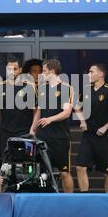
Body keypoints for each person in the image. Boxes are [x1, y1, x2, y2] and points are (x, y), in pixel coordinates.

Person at [74, 64, 108, 193]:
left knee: (107, 172)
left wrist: (106, 126)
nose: (88, 75)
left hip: (104, 136)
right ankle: (84, 199)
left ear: (101, 74)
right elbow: (76, 107)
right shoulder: (86, 89)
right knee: (80, 167)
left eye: (91, 72)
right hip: (88, 135)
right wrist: (82, 121)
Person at [30, 59, 74, 193]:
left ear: (52, 71)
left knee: (64, 172)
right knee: (43, 171)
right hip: (43, 136)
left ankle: (69, 201)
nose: (41, 74)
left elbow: (67, 112)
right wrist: (32, 128)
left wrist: (50, 119)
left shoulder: (67, 88)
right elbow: (39, 110)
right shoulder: (42, 88)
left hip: (60, 137)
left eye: (44, 71)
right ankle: (47, 199)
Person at [0, 57, 36, 162]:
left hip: (24, 132)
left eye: (15, 69)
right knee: (5, 163)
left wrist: (33, 129)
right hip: (5, 132)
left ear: (20, 70)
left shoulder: (29, 86)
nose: (11, 72)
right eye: (9, 69)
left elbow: (35, 111)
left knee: (25, 164)